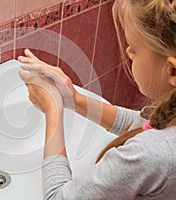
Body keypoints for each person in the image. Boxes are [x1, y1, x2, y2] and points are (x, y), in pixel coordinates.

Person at [18, 0, 176, 199]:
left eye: (134, 49)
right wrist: (74, 100)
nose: (128, 53)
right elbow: (139, 125)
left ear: (172, 70)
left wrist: (53, 109)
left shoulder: (150, 155)